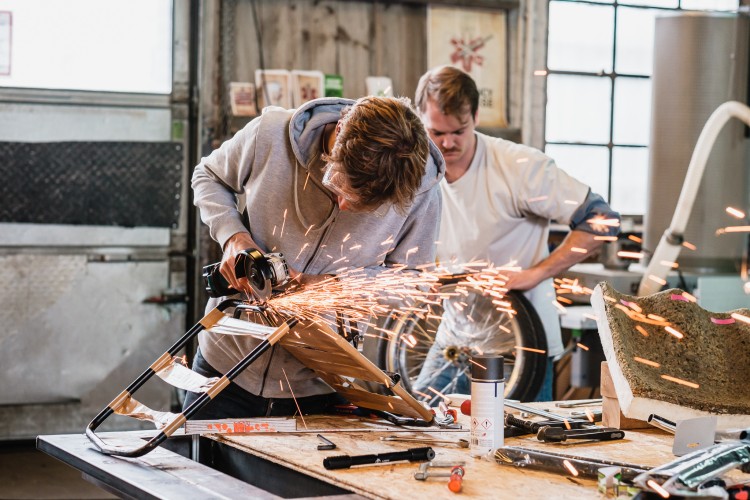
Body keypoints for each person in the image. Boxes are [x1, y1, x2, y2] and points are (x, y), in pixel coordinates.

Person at [185, 95, 445, 418]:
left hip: (317, 387)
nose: (345, 206)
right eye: (340, 188)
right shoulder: (270, 134)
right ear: (338, 132)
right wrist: (234, 237)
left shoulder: (421, 193)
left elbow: (413, 282)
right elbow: (208, 176)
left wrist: (335, 287)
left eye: (361, 202)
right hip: (223, 367)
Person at [413, 66, 620, 401]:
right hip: (453, 341)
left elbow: (603, 220)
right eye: (436, 132)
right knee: (413, 426)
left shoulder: (519, 168)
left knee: (518, 450)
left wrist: (534, 274)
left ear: (476, 116)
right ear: (420, 119)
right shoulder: (417, 171)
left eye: (458, 131)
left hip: (521, 349)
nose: (448, 143)